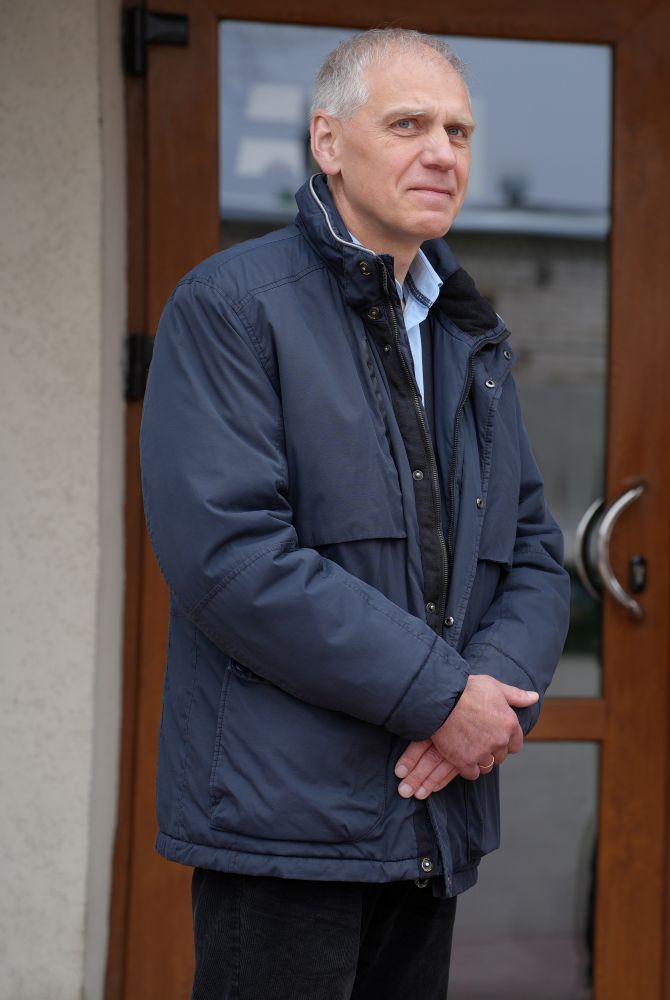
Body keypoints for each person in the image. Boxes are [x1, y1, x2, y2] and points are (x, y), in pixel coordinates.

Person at [139, 28, 570, 1000]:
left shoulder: (466, 333)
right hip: (287, 826)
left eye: (458, 130)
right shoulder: (232, 306)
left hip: (429, 815)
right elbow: (232, 560)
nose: (442, 152)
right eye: (408, 124)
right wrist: (444, 700)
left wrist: (488, 698)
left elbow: (534, 552)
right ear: (328, 142)